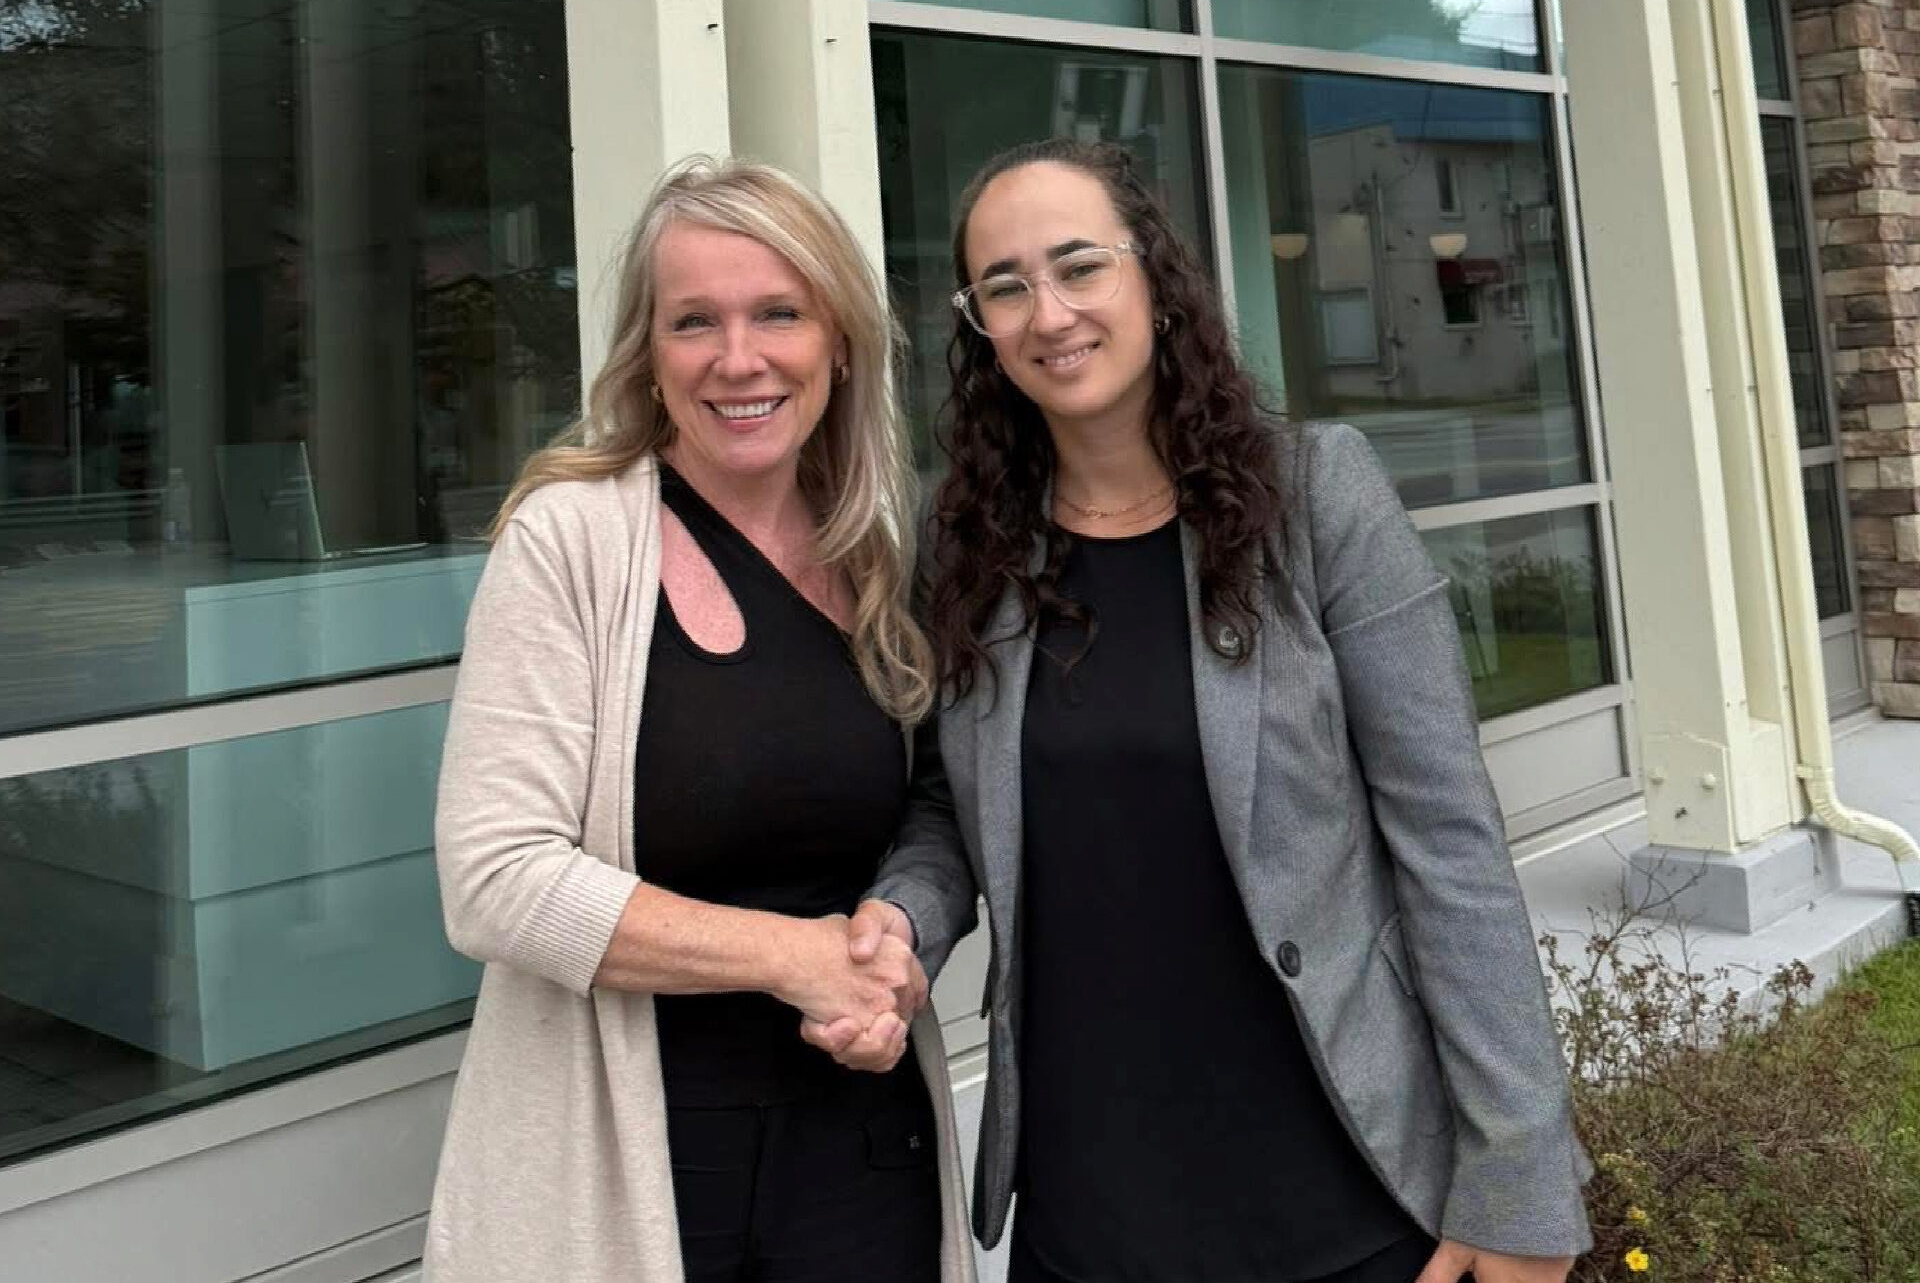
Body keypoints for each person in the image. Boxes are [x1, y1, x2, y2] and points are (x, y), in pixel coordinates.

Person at [806, 138, 1593, 1283]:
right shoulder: (966, 542)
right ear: (979, 325)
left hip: (1346, 1193)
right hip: (1088, 1207)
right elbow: (948, 803)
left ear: (1153, 278)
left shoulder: (1318, 497)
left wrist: (1519, 1178)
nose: (1050, 311)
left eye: (1080, 266)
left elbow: (1450, 840)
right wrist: (900, 919)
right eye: (1006, 287)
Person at [425, 157, 973, 1283]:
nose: (740, 358)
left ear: (839, 339)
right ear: (649, 353)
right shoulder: (568, 540)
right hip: (639, 1150)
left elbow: (938, 797)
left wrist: (896, 940)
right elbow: (495, 875)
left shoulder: (883, 545)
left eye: (779, 312)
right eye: (695, 322)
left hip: (861, 1133)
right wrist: (792, 956)